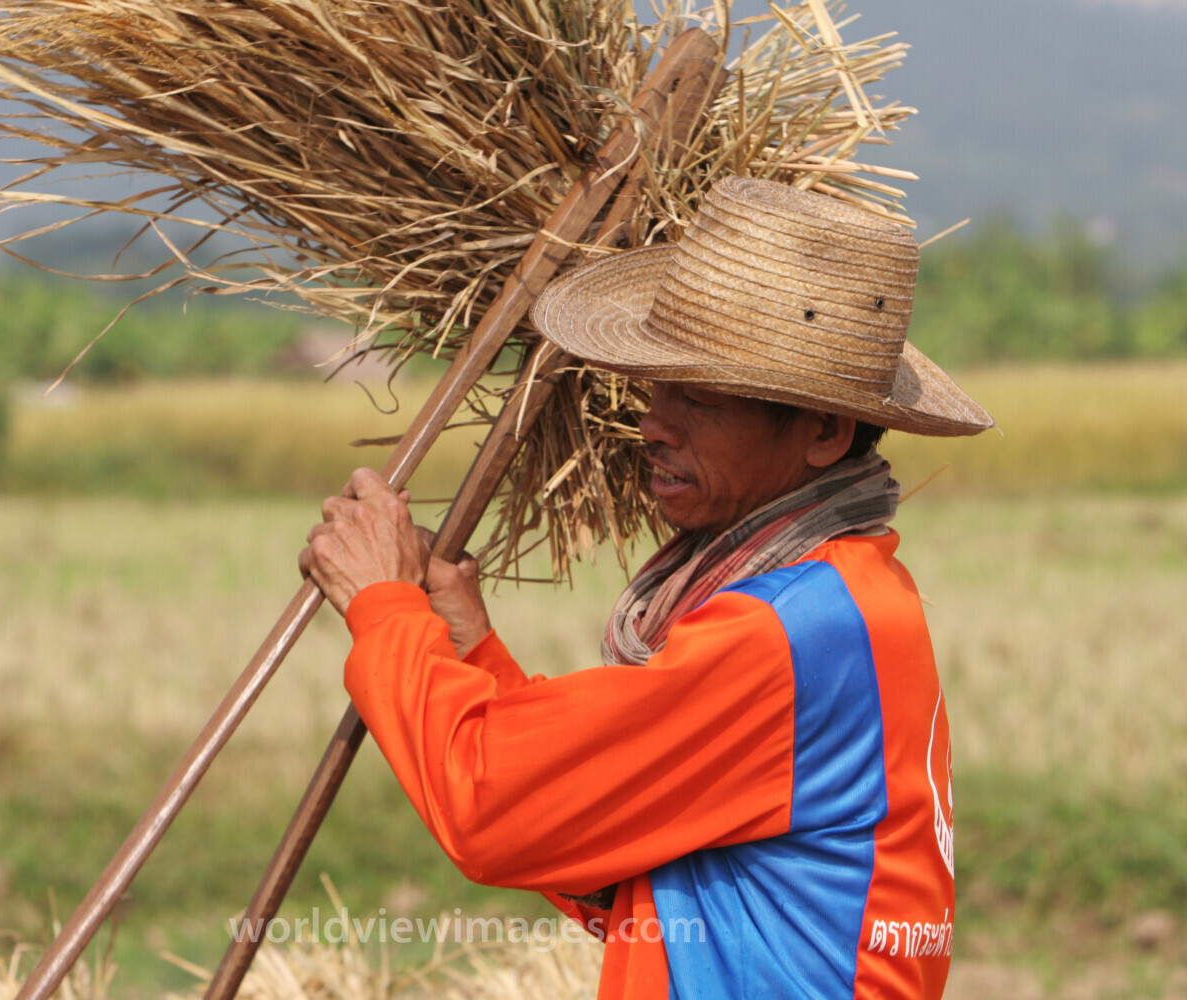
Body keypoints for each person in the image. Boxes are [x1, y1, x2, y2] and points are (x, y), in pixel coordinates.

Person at [299, 178, 992, 999]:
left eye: (697, 397)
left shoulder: (789, 632)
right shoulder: (854, 599)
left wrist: (384, 607)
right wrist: (465, 647)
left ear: (824, 430)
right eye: (656, 388)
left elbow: (494, 812)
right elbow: (591, 821)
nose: (654, 425)